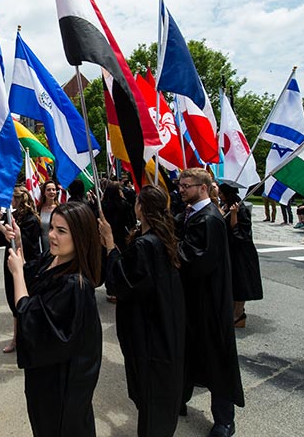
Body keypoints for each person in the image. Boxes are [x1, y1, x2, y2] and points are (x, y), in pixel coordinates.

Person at [5, 201, 102, 436]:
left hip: (61, 383)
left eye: (61, 231)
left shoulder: (74, 285)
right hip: (43, 377)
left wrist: (17, 273)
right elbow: (32, 276)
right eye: (52, 228)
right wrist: (19, 242)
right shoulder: (53, 257)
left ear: (80, 235)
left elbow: (30, 317)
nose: (52, 236)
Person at [102, 186, 185, 437]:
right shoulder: (163, 238)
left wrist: (109, 246)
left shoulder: (145, 245)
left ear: (142, 208)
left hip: (148, 330)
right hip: (164, 324)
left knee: (150, 391)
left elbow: (123, 284)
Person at [175, 168, 244, 437]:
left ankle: (225, 420)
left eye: (186, 186)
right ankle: (179, 400)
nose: (181, 189)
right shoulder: (192, 215)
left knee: (217, 360)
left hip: (210, 305)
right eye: (180, 185)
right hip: (191, 302)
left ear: (203, 188)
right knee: (187, 354)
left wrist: (169, 250)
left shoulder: (210, 220)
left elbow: (196, 260)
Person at [0, 186, 42, 353]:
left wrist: (18, 236)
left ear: (18, 200)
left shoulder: (31, 219)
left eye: (12, 199)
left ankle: (26, 338)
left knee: (25, 301)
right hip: (11, 263)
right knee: (13, 300)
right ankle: (16, 339)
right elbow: (0, 242)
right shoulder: (11, 216)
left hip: (27, 265)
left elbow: (31, 245)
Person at [218, 183, 264, 329]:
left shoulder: (240, 209)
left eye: (221, 193)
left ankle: (238, 315)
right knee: (233, 283)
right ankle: (233, 312)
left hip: (242, 253)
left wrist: (233, 215)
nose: (219, 195)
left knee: (241, 284)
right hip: (231, 251)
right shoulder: (226, 205)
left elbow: (239, 233)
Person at [101, 181, 136, 303]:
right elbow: (131, 222)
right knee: (119, 262)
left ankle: (110, 290)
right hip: (122, 238)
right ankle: (118, 288)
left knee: (108, 263)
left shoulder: (102, 206)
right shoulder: (125, 205)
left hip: (106, 238)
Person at [37, 180, 59, 252]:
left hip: (57, 243)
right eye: (48, 190)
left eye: (54, 189)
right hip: (43, 246)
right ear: (44, 192)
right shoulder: (38, 209)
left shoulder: (60, 208)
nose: (52, 192)